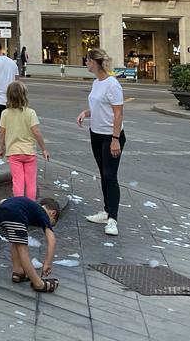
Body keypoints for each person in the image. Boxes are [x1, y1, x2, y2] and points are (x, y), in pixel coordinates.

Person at [76, 47, 125, 237]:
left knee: (110, 176)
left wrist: (115, 139)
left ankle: (113, 219)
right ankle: (106, 211)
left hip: (110, 135)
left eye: (87, 60)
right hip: (95, 133)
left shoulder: (112, 84)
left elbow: (118, 113)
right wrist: (85, 113)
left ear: (94, 62)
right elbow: (99, 106)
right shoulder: (97, 82)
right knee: (103, 175)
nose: (85, 63)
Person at [0, 196, 61, 292]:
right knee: (23, 249)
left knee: (16, 242)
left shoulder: (32, 208)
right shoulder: (43, 214)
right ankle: (38, 284)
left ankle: (18, 272)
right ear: (53, 213)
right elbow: (52, 241)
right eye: (52, 223)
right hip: (15, 214)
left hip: (1, 212)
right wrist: (48, 263)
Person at [0, 81, 49, 199]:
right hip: (29, 152)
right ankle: (30, 205)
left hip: (14, 153)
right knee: (31, 182)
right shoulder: (31, 113)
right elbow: (36, 132)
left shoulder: (5, 113)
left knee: (17, 182)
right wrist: (44, 149)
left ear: (8, 96)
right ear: (24, 95)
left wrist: (1, 149)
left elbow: (1, 133)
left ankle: (18, 205)